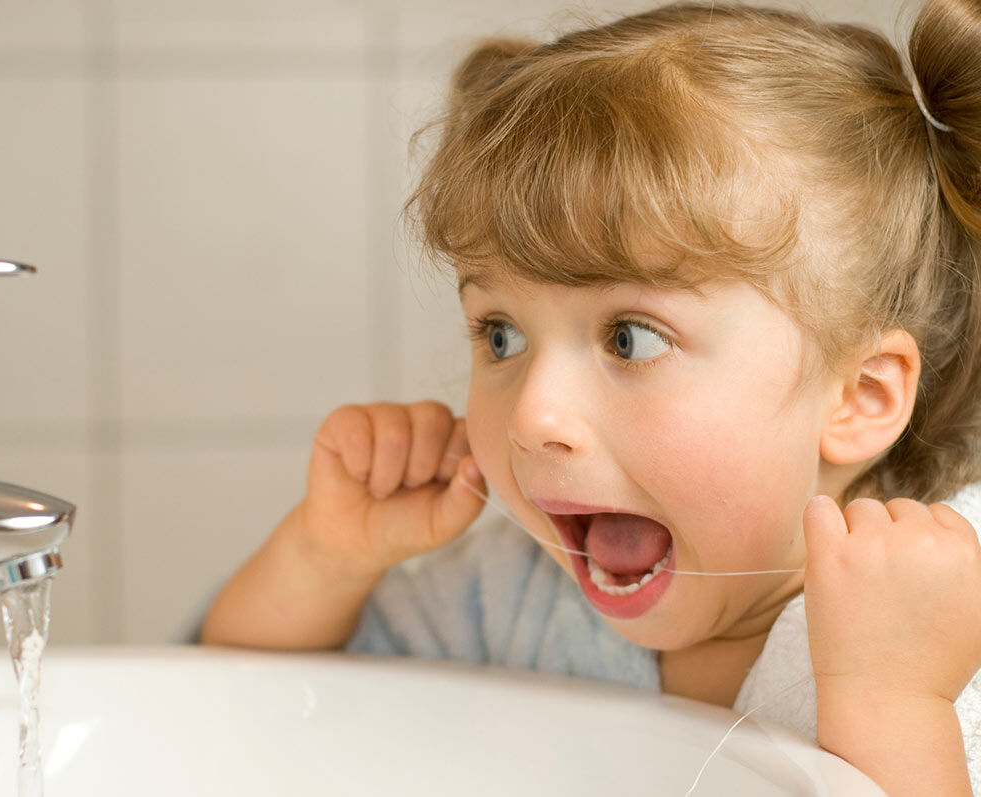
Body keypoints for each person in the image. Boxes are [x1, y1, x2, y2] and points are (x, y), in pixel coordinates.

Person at [200, 2, 981, 793]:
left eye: (631, 338)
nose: (535, 416)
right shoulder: (514, 596)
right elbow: (224, 720)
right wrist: (327, 559)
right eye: (500, 334)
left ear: (861, 397)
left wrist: (897, 703)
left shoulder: (943, 619)